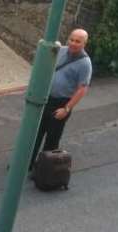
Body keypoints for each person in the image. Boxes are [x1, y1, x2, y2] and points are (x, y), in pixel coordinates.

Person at [30, 28, 92, 168]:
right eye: (72, 39)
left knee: (52, 139)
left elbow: (82, 89)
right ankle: (27, 164)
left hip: (61, 104)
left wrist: (66, 108)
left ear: (84, 44)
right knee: (35, 135)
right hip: (46, 99)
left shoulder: (85, 63)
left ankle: (44, 169)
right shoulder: (61, 50)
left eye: (78, 41)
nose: (73, 43)